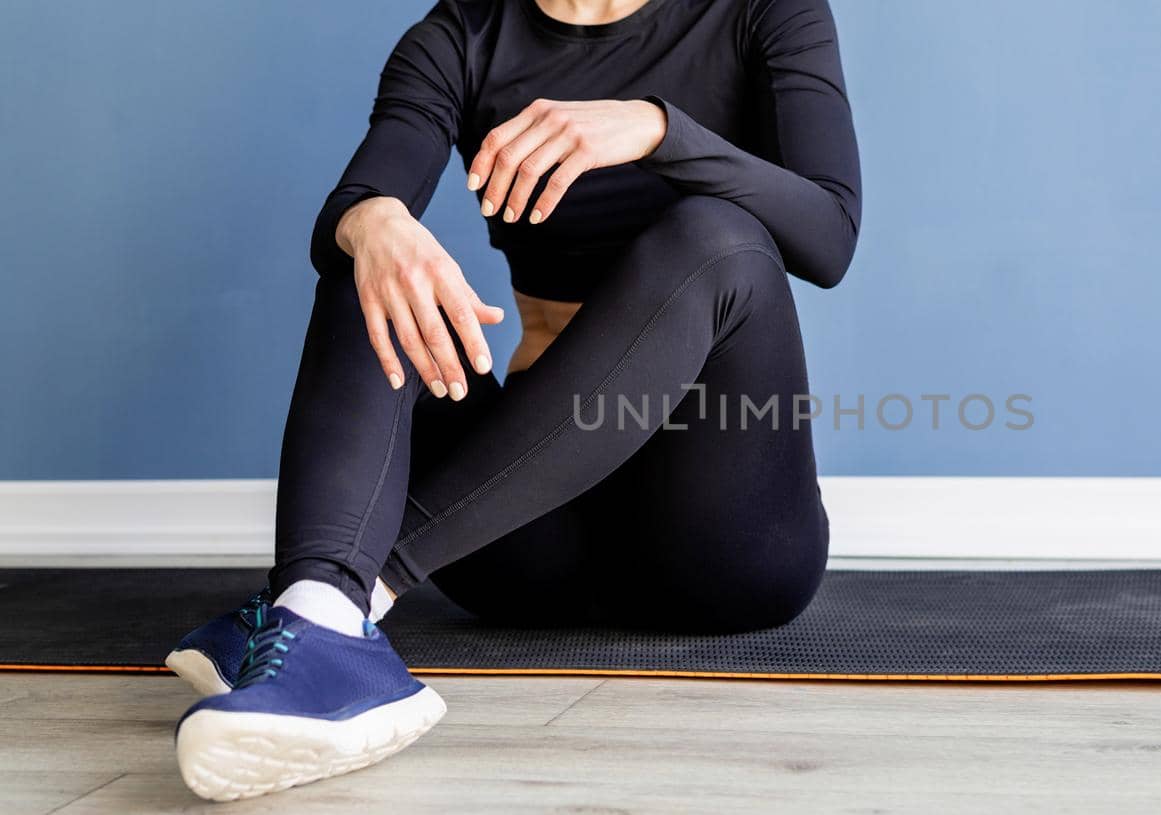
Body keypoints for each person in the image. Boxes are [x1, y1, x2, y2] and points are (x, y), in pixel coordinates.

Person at [164, 0, 860, 801]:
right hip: (526, 533)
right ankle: (322, 616)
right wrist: (375, 217)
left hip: (724, 541)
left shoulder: (764, 12)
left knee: (717, 238)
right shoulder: (461, 35)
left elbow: (830, 234)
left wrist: (662, 130)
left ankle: (328, 608)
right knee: (378, 255)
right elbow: (368, 190)